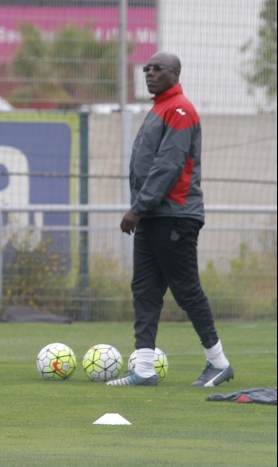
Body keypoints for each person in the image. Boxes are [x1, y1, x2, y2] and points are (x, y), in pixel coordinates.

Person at [107, 52, 233, 387]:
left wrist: (138, 207)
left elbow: (169, 164)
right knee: (145, 290)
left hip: (175, 215)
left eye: (157, 69)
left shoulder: (180, 110)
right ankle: (144, 369)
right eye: (146, 68)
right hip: (153, 216)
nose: (149, 73)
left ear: (175, 73)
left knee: (186, 289)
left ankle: (218, 362)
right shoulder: (159, 108)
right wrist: (143, 209)